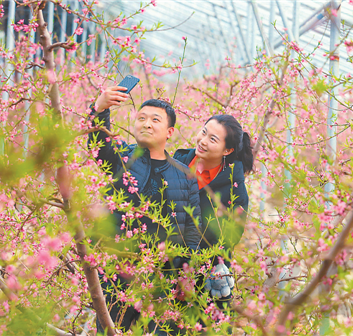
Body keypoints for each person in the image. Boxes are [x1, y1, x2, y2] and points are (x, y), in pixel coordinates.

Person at [88, 86, 201, 335]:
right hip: (117, 275)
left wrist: (186, 271)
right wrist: (100, 108)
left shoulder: (185, 176)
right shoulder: (121, 158)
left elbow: (192, 229)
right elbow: (99, 145)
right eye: (141, 118)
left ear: (169, 132)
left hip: (163, 278)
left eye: (155, 120)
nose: (146, 124)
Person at [173, 114, 252, 309]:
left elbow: (231, 234)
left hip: (208, 269)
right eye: (204, 132)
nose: (203, 141)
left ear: (227, 150)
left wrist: (197, 267)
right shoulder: (179, 160)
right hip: (168, 260)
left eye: (212, 139)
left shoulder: (234, 185)